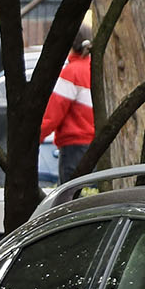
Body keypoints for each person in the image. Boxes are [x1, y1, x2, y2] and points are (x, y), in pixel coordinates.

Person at [40, 20, 95, 176]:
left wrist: (33, 138)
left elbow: (52, 116)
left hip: (74, 147)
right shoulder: (96, 69)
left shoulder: (71, 73)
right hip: (99, 146)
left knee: (71, 197)